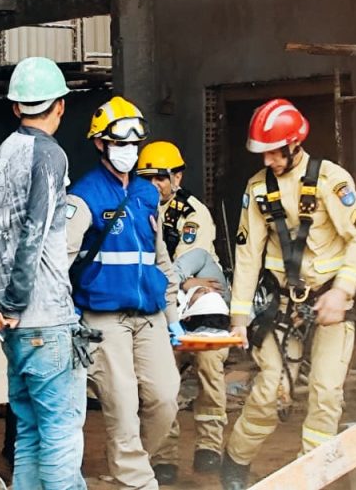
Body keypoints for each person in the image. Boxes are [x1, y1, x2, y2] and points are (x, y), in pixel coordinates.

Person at [219, 99, 356, 490]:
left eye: (274, 150)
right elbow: (248, 254)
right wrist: (239, 319)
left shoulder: (331, 181)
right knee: (271, 390)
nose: (268, 159)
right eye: (263, 151)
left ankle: (311, 475)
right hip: (281, 306)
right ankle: (235, 461)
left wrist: (341, 292)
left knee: (325, 393)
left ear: (294, 144)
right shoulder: (257, 190)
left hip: (331, 304)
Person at [0, 56, 87, 490]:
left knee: (28, 433)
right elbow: (34, 230)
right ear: (61, 106)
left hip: (12, 327)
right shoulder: (50, 155)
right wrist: (13, 302)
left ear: (16, 108)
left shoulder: (4, 152)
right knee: (61, 434)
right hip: (44, 318)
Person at [66, 96, 182, 490]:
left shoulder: (148, 195)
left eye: (134, 145)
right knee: (123, 406)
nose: (128, 152)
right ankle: (139, 482)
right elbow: (61, 260)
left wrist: (173, 315)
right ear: (100, 144)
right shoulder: (84, 196)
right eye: (120, 144)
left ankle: (129, 471)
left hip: (148, 315)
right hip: (104, 318)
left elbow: (159, 258)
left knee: (166, 398)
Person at [135, 141, 230, 483]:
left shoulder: (193, 213)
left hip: (201, 304)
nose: (154, 184)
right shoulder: (135, 208)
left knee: (209, 367)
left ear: (177, 175)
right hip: (161, 304)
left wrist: (181, 281)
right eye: (147, 177)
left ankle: (209, 445)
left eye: (161, 177)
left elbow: (187, 268)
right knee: (161, 378)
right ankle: (164, 453)